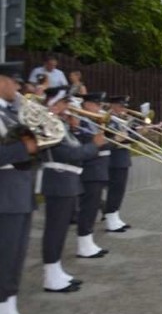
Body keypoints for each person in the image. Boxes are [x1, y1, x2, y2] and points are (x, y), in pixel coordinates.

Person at [39, 87, 105, 292]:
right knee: (54, 230)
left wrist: (75, 130)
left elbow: (73, 149)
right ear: (54, 104)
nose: (68, 107)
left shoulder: (61, 124)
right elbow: (68, 154)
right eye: (64, 103)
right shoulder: (47, 123)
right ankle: (51, 275)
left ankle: (56, 270)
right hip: (58, 179)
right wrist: (94, 145)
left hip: (67, 181)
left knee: (60, 231)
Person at [0, 62, 41, 314]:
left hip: (20, 191)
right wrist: (22, 148)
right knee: (4, 257)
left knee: (15, 256)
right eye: (14, 81)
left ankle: (10, 311)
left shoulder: (12, 112)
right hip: (5, 193)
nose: (18, 87)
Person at [75, 92, 112, 258]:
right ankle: (83, 242)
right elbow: (84, 144)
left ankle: (88, 241)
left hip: (99, 168)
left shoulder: (94, 121)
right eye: (96, 104)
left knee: (92, 207)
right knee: (88, 208)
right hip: (89, 169)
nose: (99, 108)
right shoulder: (81, 122)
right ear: (87, 104)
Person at [103, 96, 136, 233]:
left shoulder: (121, 120)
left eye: (124, 106)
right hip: (114, 159)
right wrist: (125, 136)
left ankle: (115, 215)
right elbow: (114, 139)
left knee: (120, 190)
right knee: (114, 190)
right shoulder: (108, 120)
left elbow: (130, 138)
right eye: (121, 106)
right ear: (113, 106)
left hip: (123, 158)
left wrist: (139, 132)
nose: (123, 109)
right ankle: (110, 217)